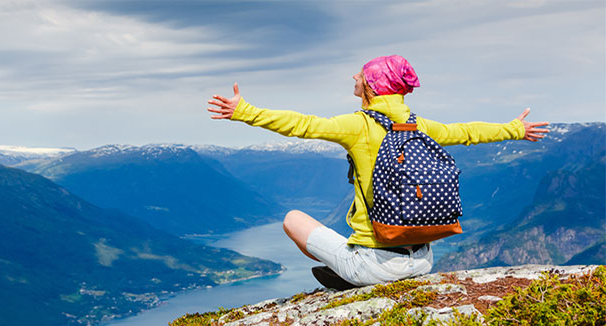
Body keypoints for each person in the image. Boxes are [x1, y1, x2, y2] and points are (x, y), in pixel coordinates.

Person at [207, 55, 550, 287]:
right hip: (423, 261)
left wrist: (245, 111)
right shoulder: (419, 125)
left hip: (375, 265)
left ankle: (349, 278)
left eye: (360, 75)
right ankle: (352, 271)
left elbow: (303, 125)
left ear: (371, 86)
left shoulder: (358, 125)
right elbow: (467, 132)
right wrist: (514, 130)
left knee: (293, 219)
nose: (354, 78)